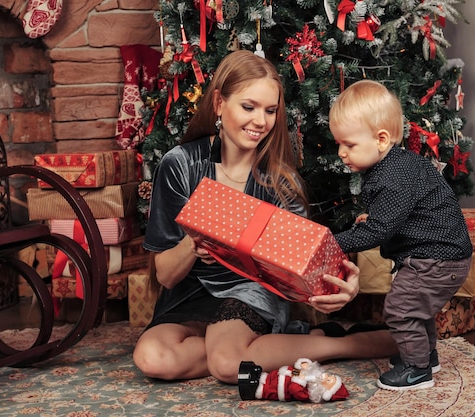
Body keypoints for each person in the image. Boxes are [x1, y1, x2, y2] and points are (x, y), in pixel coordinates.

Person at [132, 51, 397, 385]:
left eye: (270, 111)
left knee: (228, 365)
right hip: (190, 292)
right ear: (218, 103)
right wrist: (194, 241)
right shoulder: (180, 165)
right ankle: (286, 342)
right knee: (152, 358)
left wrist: (343, 284)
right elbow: (166, 277)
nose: (260, 121)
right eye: (248, 107)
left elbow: (306, 264)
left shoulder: (280, 182)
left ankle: (348, 344)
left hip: (249, 291)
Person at [328, 79, 473, 391]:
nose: (341, 153)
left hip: (437, 259)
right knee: (417, 308)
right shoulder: (396, 165)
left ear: (381, 139)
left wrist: (334, 241)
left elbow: (380, 230)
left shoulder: (393, 176)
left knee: (400, 308)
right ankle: (424, 356)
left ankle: (417, 370)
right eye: (338, 144)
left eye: (349, 145)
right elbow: (401, 213)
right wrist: (377, 217)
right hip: (441, 254)